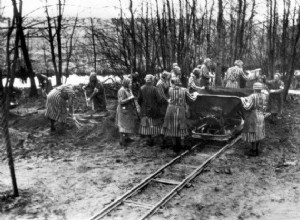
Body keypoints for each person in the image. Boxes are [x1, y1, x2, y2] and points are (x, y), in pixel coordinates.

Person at [162, 77, 196, 152]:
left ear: (172, 83)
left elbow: (170, 97)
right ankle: (182, 143)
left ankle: (174, 144)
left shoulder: (170, 89)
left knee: (172, 126)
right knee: (181, 125)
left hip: (170, 108)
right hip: (180, 109)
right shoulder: (184, 90)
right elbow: (192, 99)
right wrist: (195, 94)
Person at [240, 82, 268, 156]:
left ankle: (253, 150)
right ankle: (257, 149)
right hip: (261, 115)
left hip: (253, 116)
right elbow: (265, 106)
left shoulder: (252, 96)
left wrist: (242, 99)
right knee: (259, 132)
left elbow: (248, 107)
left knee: (252, 132)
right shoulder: (264, 96)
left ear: (254, 88)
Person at [138, 75, 163, 146]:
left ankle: (149, 139)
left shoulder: (141, 88)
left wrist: (142, 106)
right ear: (152, 80)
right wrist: (159, 105)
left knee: (146, 125)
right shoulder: (154, 89)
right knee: (156, 124)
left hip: (144, 110)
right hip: (154, 110)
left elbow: (139, 100)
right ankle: (159, 140)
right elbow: (159, 99)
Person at [116, 77, 139, 146]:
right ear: (126, 83)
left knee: (127, 125)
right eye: (129, 83)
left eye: (131, 83)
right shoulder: (121, 90)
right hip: (123, 111)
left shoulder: (128, 89)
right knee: (123, 126)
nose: (131, 84)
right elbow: (121, 101)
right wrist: (129, 98)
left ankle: (127, 138)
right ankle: (122, 141)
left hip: (128, 110)